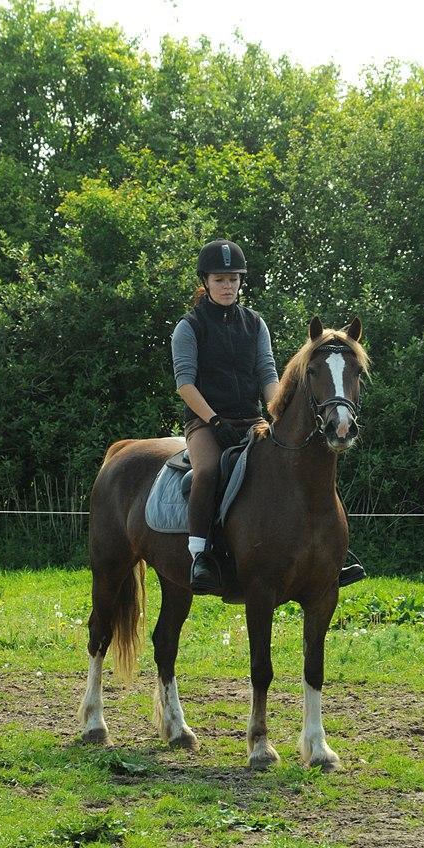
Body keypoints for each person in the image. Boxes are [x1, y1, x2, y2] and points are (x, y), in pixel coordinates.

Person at [171, 239, 279, 594]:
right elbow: (185, 384)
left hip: (251, 419)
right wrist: (214, 422)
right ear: (206, 281)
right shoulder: (189, 326)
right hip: (204, 421)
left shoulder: (255, 323)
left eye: (234, 279)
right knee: (208, 471)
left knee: (292, 463)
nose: (228, 286)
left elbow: (267, 375)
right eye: (220, 279)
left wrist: (277, 414)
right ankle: (200, 554)